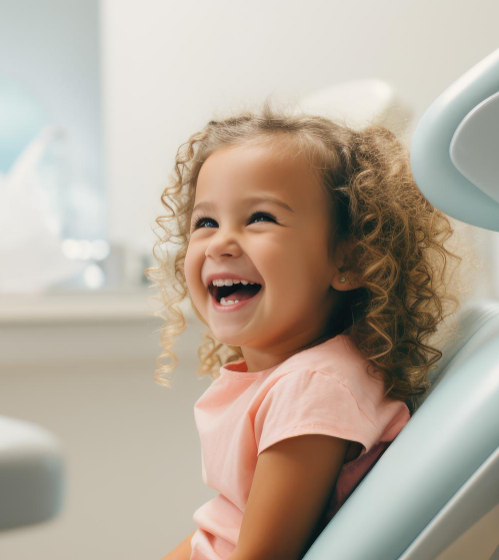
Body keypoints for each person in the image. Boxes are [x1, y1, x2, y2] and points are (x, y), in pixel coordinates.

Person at [148, 107, 458, 560]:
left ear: (350, 262)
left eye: (260, 218)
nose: (220, 242)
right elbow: (216, 531)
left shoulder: (312, 389)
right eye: (206, 222)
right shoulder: (300, 378)